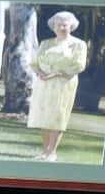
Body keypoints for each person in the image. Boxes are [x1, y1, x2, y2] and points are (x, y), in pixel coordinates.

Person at [26, 10, 88, 162]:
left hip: (63, 83)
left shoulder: (78, 44)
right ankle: (45, 151)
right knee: (44, 115)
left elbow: (79, 65)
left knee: (58, 116)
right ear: (53, 27)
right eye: (58, 25)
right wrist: (40, 73)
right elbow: (35, 62)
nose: (61, 27)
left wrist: (57, 73)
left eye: (64, 25)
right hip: (44, 83)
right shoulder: (45, 43)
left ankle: (52, 152)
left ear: (71, 26)